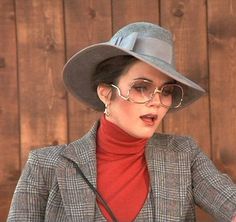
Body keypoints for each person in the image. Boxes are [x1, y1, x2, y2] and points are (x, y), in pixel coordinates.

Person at [7, 22, 236, 222]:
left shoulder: (185, 155)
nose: (156, 101)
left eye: (166, 91)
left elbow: (230, 203)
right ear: (106, 93)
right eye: (141, 87)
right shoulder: (44, 166)